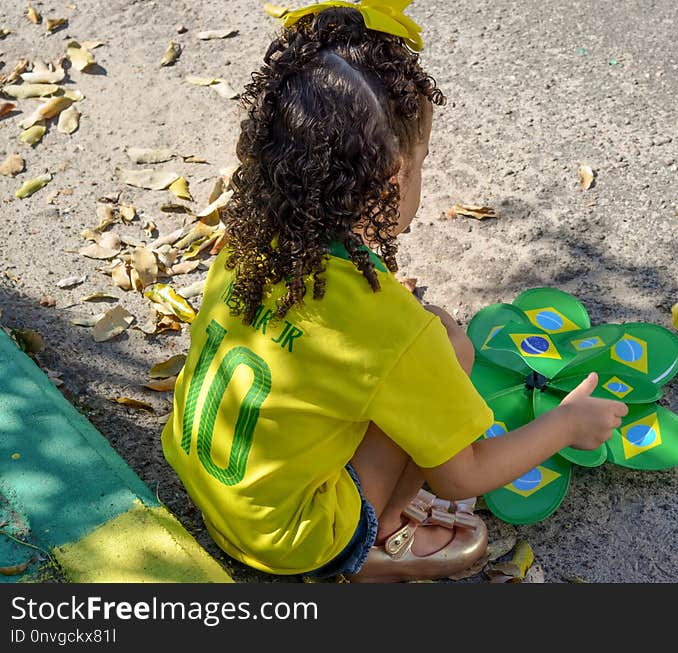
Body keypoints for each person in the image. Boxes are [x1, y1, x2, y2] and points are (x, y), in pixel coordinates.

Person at [161, 1, 629, 583]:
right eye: (423, 160)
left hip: (211, 488)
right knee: (447, 348)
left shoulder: (246, 248)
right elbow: (463, 475)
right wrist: (566, 425)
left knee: (430, 347)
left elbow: (306, 343)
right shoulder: (393, 331)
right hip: (291, 541)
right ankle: (373, 541)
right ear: (392, 181)